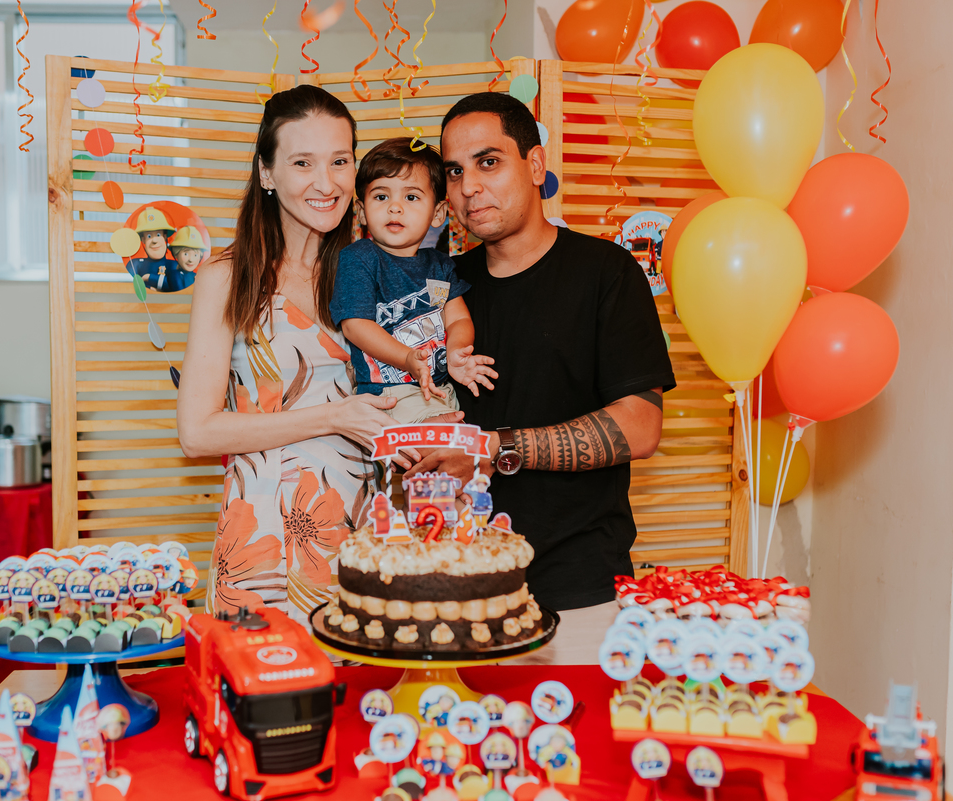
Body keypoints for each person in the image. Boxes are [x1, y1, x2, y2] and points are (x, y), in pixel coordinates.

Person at [409, 92, 675, 663]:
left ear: (534, 166)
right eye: (454, 172)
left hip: (578, 597)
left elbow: (640, 427)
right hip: (455, 592)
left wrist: (494, 449)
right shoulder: (441, 287)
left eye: (489, 162)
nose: (469, 187)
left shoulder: (607, 274)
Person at [177, 85, 439, 626]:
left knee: (372, 701)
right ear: (267, 173)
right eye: (303, 162)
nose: (328, 183)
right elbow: (197, 432)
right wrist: (332, 416)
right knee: (271, 694)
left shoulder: (375, 272)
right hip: (265, 535)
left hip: (372, 526)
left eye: (340, 161)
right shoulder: (227, 278)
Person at [330, 137, 497, 423]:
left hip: (439, 387)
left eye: (411, 197)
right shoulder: (360, 258)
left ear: (438, 214)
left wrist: (457, 351)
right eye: (381, 197)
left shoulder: (439, 266)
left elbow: (457, 319)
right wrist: (406, 358)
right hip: (390, 393)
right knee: (444, 443)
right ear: (360, 211)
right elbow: (356, 325)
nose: (395, 207)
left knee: (462, 449)